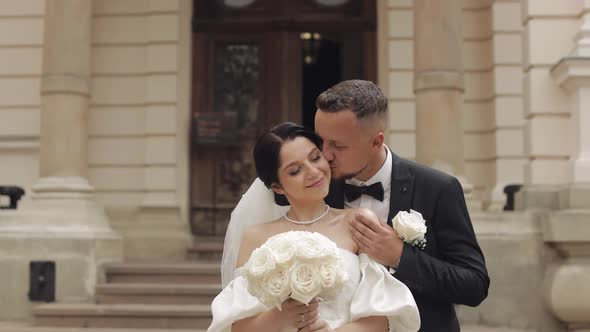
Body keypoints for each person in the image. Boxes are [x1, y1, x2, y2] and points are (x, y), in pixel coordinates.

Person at [209, 122, 420, 332]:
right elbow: (238, 327)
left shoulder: (357, 222)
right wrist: (281, 317)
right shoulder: (256, 237)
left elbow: (380, 320)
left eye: (315, 158)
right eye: (295, 171)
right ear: (277, 187)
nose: (313, 172)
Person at [315, 80, 490, 332]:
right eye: (321, 141)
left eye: (338, 145)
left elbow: (474, 285)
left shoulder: (438, 188)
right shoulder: (316, 190)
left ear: (376, 142)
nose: (325, 154)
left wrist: (400, 256)